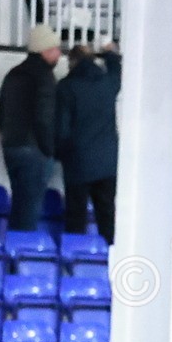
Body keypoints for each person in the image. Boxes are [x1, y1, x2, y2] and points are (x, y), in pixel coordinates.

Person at [0, 24, 61, 231]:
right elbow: (44, 119)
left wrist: (9, 139)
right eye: (56, 49)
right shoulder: (45, 77)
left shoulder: (13, 74)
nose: (59, 54)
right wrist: (49, 150)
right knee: (29, 213)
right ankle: (23, 250)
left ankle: (13, 248)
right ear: (45, 50)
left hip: (11, 148)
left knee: (19, 208)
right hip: (34, 152)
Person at [55, 42, 122, 244]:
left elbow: (62, 128)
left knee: (76, 216)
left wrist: (59, 154)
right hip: (107, 162)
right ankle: (108, 255)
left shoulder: (66, 87)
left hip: (78, 162)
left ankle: (76, 256)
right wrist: (110, 53)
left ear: (72, 62)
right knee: (106, 214)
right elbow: (116, 69)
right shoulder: (108, 83)